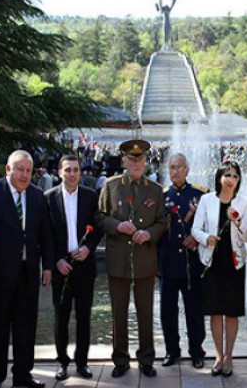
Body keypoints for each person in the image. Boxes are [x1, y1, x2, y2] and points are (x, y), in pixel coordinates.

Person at [0, 150, 54, 388]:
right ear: (9, 169)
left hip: (28, 273)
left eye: (28, 170)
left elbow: (46, 235)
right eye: (19, 169)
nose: (24, 174)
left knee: (25, 327)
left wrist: (48, 266)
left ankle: (23, 375)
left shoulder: (37, 196)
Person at [96, 139, 167, 378]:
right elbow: (100, 217)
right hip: (119, 258)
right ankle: (120, 360)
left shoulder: (155, 189)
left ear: (146, 161)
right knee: (119, 313)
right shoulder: (111, 186)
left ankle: (146, 359)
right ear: (124, 160)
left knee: (145, 312)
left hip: (145, 259)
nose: (137, 163)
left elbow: (161, 222)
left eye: (141, 159)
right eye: (132, 159)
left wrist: (149, 233)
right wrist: (117, 226)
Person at [45, 155, 102, 381]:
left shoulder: (90, 196)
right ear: (60, 172)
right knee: (61, 317)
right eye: (67, 170)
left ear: (80, 172)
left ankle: (82, 362)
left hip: (84, 264)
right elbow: (45, 235)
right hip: (61, 266)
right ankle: (62, 362)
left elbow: (98, 228)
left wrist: (89, 247)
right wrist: (56, 260)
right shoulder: (48, 198)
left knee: (84, 317)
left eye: (75, 170)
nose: (72, 174)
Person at [191, 160, 247, 378]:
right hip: (212, 260)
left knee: (232, 311)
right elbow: (195, 229)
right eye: (228, 175)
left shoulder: (243, 203)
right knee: (215, 310)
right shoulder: (207, 200)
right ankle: (217, 355)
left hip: (234, 261)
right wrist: (207, 238)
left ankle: (229, 356)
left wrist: (237, 220)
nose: (231, 180)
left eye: (235, 176)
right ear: (219, 177)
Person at [158, 154, 208, 369]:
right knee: (167, 311)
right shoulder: (161, 196)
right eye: (171, 168)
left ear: (187, 169)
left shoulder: (200, 195)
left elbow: (208, 225)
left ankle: (196, 350)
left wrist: (197, 240)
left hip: (191, 264)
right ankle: (172, 350)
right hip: (168, 263)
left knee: (194, 310)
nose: (175, 171)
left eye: (179, 167)